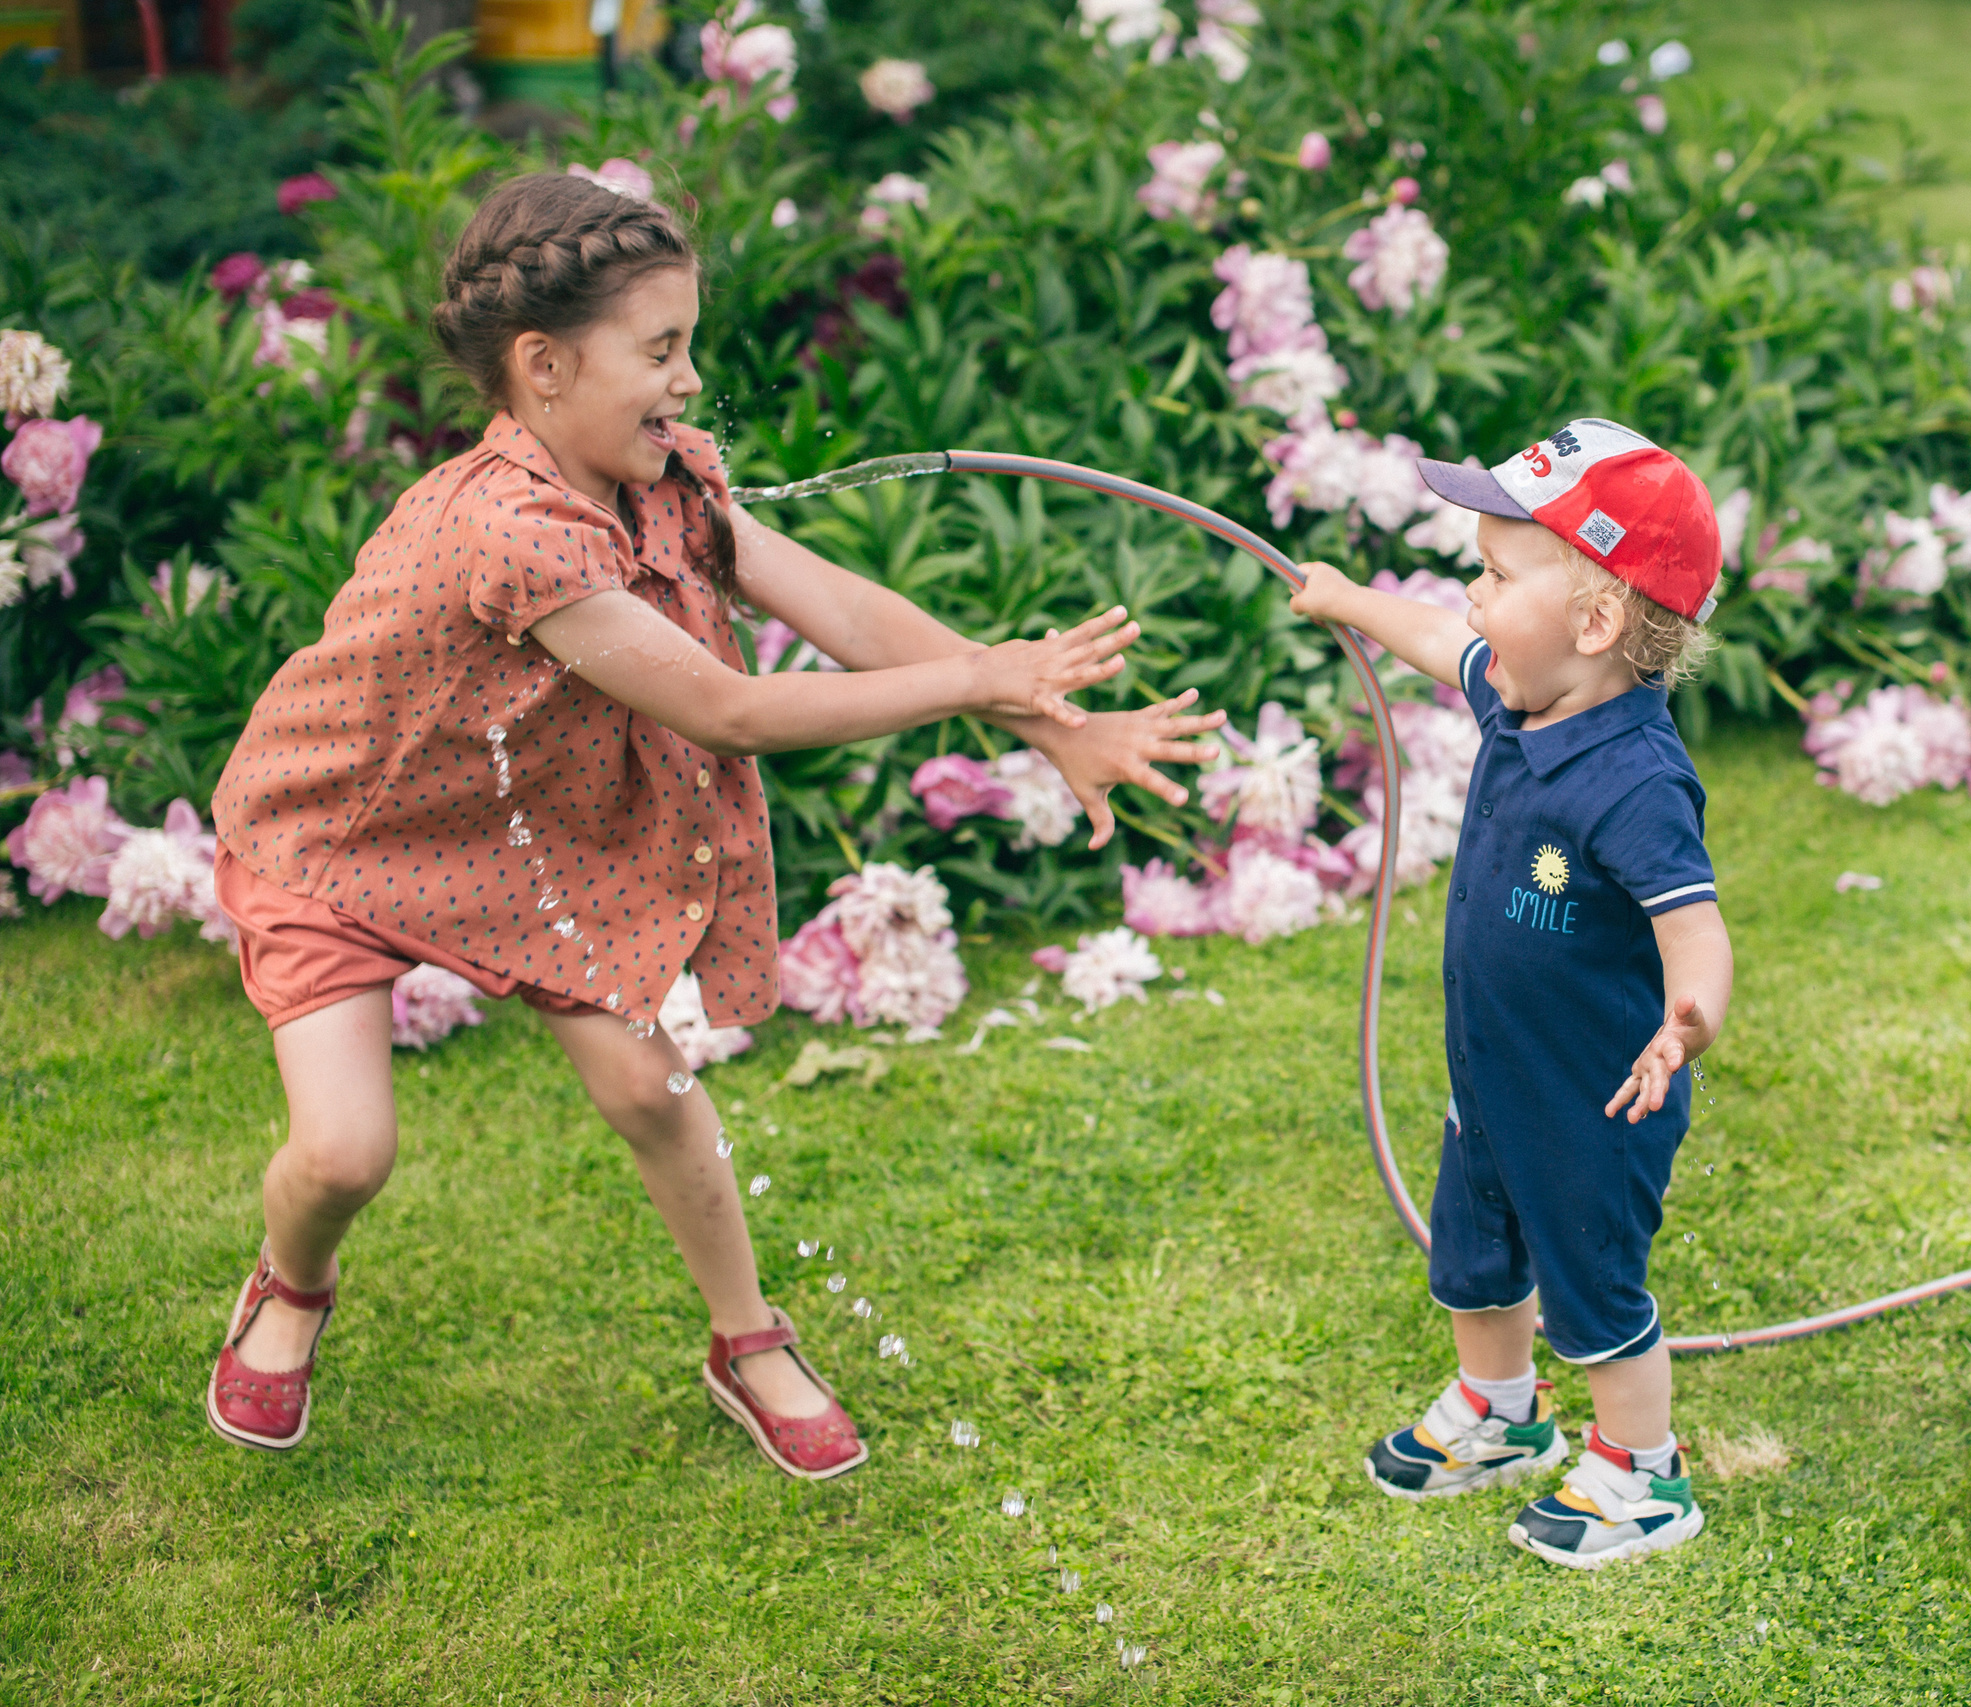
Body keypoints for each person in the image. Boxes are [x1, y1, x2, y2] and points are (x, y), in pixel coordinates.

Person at [201, 172, 1225, 1479]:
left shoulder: (664, 477)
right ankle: (291, 1283)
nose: (689, 380)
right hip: (346, 833)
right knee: (345, 1149)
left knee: (651, 1077)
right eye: (662, 349)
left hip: (524, 836)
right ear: (545, 366)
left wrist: (1047, 720)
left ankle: (746, 1338)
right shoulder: (505, 530)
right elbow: (732, 710)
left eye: (691, 344)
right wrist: (984, 674)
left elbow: (838, 604)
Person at [1288, 419, 1735, 1567]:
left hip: (1594, 1104)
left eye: (1494, 573)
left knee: (1591, 1287)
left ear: (1593, 623)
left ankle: (1644, 1476)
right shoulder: (1523, 697)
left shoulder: (1634, 779)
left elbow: (1696, 928)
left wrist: (1688, 1022)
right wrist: (1347, 599)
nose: (1470, 592)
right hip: (1492, 1077)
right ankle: (1500, 1413)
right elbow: (1441, 639)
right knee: (1474, 1257)